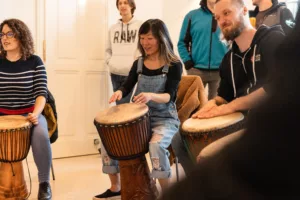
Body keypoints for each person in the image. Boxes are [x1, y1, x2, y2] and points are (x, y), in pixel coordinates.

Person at [160, 2, 300, 199]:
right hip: (238, 123)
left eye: (226, 13)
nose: (222, 21)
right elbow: (221, 97)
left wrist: (230, 107)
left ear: (244, 10)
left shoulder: (272, 40)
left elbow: (273, 88)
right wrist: (206, 109)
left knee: (210, 159)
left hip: (268, 126)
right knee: (179, 139)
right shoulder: (228, 59)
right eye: (217, 17)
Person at [96, 19, 182, 199]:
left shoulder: (174, 64)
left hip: (164, 119)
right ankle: (115, 187)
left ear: (161, 38)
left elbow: (169, 96)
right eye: (142, 38)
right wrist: (119, 92)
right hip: (140, 119)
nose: (145, 43)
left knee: (156, 146)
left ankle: (168, 194)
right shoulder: (139, 63)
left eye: (149, 38)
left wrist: (151, 95)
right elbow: (127, 85)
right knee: (107, 140)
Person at [0, 19, 52, 200]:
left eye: (9, 34)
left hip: (29, 114)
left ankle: (44, 184)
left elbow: (41, 93)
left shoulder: (35, 62)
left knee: (41, 135)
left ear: (20, 36)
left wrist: (36, 114)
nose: (4, 38)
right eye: (2, 34)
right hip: (2, 116)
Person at [177, 0, 228, 100]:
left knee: (216, 109)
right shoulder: (192, 16)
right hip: (196, 71)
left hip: (220, 72)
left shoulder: (228, 16)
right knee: (192, 106)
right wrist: (188, 62)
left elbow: (234, 42)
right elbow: (182, 43)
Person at [106, 0, 142, 105]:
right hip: (115, 73)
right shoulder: (113, 28)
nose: (122, 5)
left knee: (129, 107)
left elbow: (142, 47)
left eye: (125, 2)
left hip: (131, 73)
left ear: (131, 5)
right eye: (120, 3)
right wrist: (110, 62)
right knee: (120, 106)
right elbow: (108, 49)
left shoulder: (140, 26)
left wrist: (136, 63)